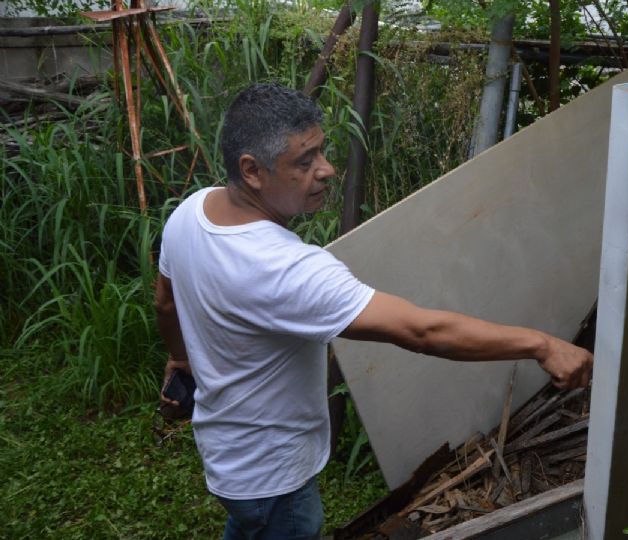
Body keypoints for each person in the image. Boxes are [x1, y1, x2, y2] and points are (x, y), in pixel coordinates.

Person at [154, 82, 593, 540]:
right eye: (305, 162)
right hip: (273, 477)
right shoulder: (283, 268)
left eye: (322, 151)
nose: (326, 170)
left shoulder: (191, 213)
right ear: (252, 170)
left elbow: (166, 302)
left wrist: (182, 359)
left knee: (249, 527)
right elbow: (420, 331)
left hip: (226, 456)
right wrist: (540, 344)